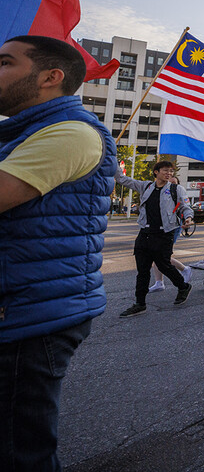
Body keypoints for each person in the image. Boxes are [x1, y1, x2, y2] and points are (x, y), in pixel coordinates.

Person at [0, 35, 116, 470]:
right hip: (25, 301)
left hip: (27, 314)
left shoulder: (73, 134)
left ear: (51, 77)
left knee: (18, 454)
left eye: (6, 62)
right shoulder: (26, 134)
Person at [116, 160, 194, 316]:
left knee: (164, 265)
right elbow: (123, 179)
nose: (169, 174)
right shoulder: (146, 186)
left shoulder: (175, 189)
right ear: (156, 172)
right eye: (165, 170)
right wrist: (112, 161)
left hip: (164, 234)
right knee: (142, 270)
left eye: (171, 171)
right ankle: (140, 303)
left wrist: (188, 218)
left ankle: (183, 287)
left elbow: (186, 206)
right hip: (145, 233)